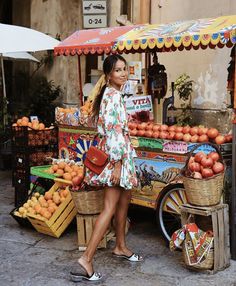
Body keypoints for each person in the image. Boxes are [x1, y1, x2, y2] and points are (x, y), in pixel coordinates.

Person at [70, 54, 142, 282]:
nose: (122, 73)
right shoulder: (112, 96)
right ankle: (87, 259)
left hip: (122, 157)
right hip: (117, 159)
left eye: (124, 69)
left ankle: (120, 246)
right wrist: (119, 164)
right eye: (117, 70)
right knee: (110, 207)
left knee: (123, 203)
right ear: (108, 75)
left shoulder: (113, 94)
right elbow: (114, 133)